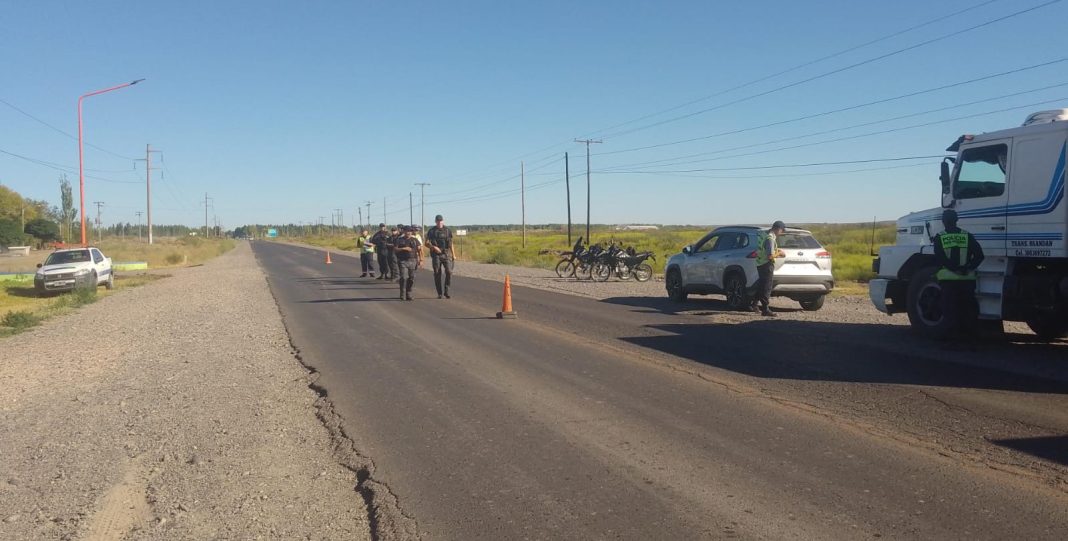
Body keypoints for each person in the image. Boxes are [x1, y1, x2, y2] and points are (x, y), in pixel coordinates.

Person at [933, 209, 985, 334]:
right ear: (957, 220)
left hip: (948, 281)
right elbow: (979, 255)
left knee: (950, 311)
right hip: (967, 280)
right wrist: (968, 268)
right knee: (968, 311)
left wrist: (954, 269)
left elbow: (940, 258)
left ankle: (952, 341)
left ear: (943, 221)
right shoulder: (967, 235)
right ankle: (969, 341)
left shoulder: (940, 237)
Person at [753, 221, 787, 317]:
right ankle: (765, 309)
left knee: (761, 285)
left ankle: (754, 304)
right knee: (766, 287)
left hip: (760, 263)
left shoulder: (765, 235)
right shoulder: (770, 239)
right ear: (778, 229)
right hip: (766, 264)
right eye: (782, 230)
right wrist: (779, 253)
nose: (782, 232)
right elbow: (770, 256)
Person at [424, 214, 456, 299]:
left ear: (443, 221)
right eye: (438, 221)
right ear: (435, 221)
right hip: (436, 255)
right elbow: (426, 243)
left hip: (446, 254)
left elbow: (451, 244)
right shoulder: (431, 231)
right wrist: (433, 247)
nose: (439, 222)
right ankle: (439, 293)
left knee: (449, 272)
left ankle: (446, 291)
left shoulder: (447, 230)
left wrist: (454, 254)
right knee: (437, 273)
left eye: (441, 221)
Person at [394, 226, 423, 301]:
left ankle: (408, 293)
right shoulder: (399, 240)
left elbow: (420, 249)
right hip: (402, 261)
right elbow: (395, 249)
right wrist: (403, 248)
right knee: (403, 277)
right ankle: (402, 294)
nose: (408, 232)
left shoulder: (415, 240)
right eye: (407, 231)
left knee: (412, 278)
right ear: (404, 232)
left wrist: (421, 259)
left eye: (410, 231)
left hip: (413, 261)